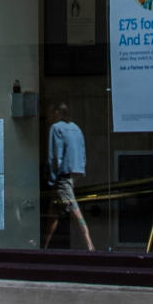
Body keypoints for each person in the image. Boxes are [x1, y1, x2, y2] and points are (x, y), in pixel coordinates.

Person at [44, 101, 94, 250]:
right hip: (76, 171)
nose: (49, 116)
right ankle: (44, 246)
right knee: (53, 212)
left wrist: (52, 178)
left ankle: (89, 243)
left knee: (73, 208)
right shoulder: (76, 128)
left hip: (62, 174)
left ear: (57, 113)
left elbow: (55, 154)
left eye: (51, 112)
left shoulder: (56, 128)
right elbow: (82, 150)